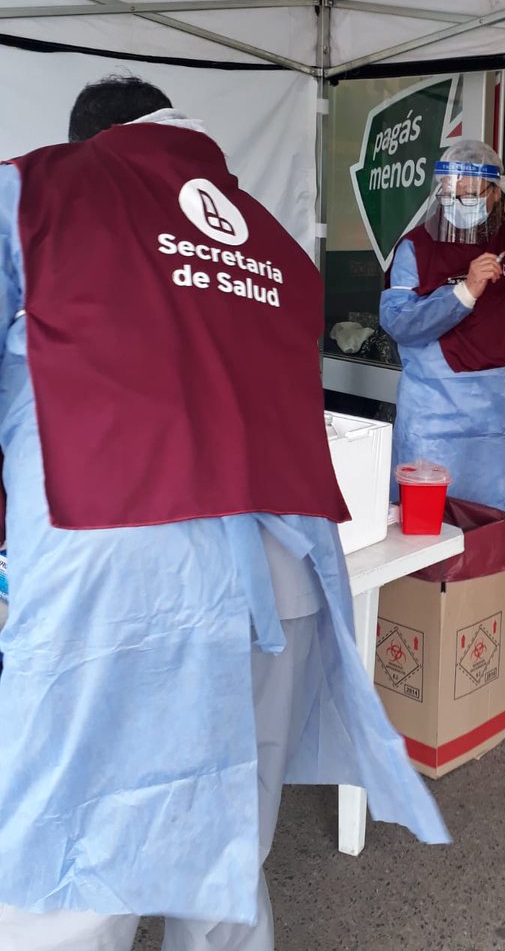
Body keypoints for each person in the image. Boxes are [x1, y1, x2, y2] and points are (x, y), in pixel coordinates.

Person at [0, 74, 447, 951]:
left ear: (88, 141)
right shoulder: (270, 238)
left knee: (78, 839)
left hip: (118, 566)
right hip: (280, 571)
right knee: (231, 825)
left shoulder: (36, 188)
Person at [380, 140, 505, 560]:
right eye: (453, 194)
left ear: (497, 194)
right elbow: (399, 321)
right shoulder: (417, 248)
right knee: (435, 528)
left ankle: (499, 582)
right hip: (441, 415)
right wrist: (464, 291)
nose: (462, 203)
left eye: (474, 194)